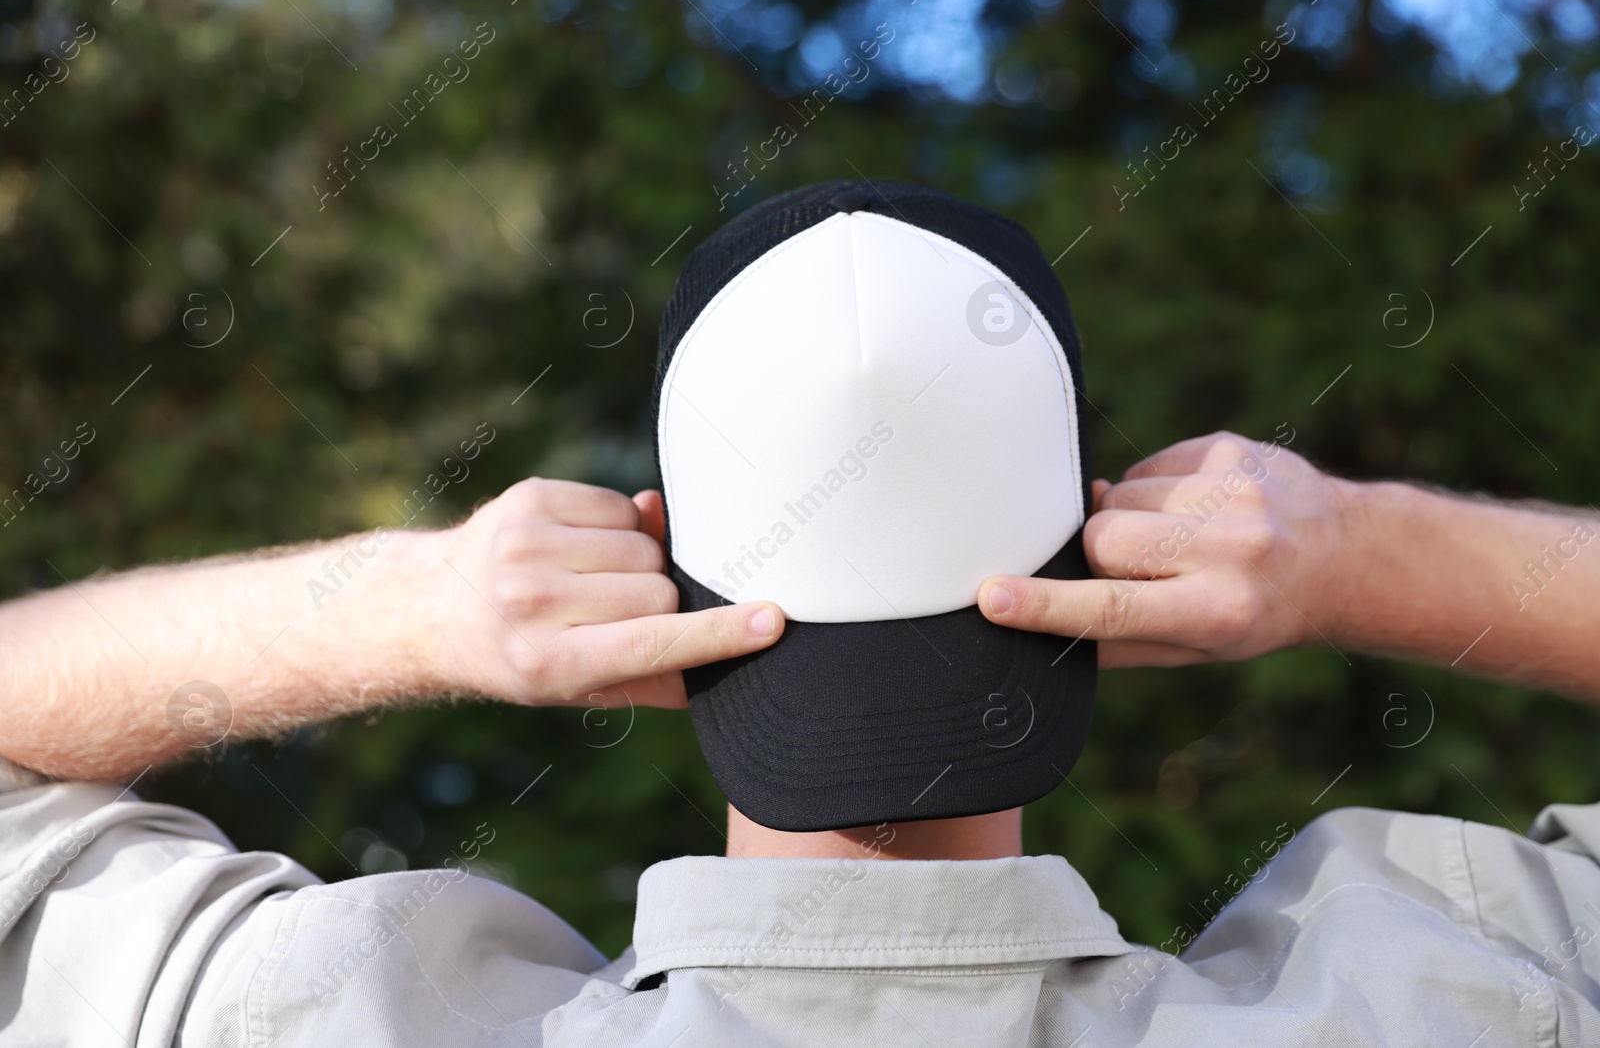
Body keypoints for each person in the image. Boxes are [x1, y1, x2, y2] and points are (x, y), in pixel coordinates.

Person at [3, 429, 1598, 1045]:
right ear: (1095, 582)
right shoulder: (1456, 993)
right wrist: (1356, 547)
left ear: (665, 599)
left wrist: (418, 604)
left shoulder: (328, 1020)